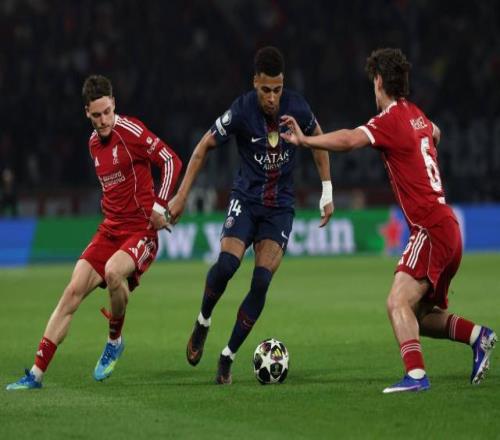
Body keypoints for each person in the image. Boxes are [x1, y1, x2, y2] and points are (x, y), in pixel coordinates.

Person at [280, 47, 497, 393]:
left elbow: (350, 139)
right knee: (417, 315)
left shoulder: (391, 119)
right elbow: (436, 133)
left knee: (397, 302)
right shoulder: (416, 114)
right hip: (448, 227)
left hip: (429, 228)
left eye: (373, 82)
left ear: (379, 81)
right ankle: (477, 336)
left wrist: (305, 140)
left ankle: (416, 376)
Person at [168, 46, 334, 384]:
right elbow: (203, 147)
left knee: (260, 281)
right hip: (245, 200)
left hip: (280, 207)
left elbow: (318, 139)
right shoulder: (241, 111)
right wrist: (181, 196)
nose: (272, 98)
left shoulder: (297, 107)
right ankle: (203, 320)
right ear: (254, 82)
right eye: (265, 90)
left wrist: (327, 190)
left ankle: (227, 356)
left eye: (277, 89)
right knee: (227, 265)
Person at [6, 75, 182, 390]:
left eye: (108, 112)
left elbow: (171, 160)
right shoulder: (92, 144)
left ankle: (114, 341)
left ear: (114, 104)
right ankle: (36, 374)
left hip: (140, 230)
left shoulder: (131, 131)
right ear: (87, 112)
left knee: (114, 272)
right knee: (72, 292)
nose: (104, 121)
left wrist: (160, 206)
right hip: (110, 230)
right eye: (97, 115)